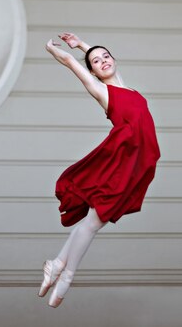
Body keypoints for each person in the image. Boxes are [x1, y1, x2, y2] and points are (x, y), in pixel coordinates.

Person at [38, 32, 160, 308]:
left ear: (114, 59)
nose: (103, 61)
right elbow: (73, 64)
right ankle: (64, 274)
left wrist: (83, 44)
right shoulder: (102, 91)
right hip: (118, 165)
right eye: (96, 61)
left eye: (106, 56)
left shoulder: (130, 90)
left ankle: (56, 266)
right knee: (93, 223)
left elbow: (97, 57)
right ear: (93, 70)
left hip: (133, 167)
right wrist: (58, 52)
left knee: (93, 223)